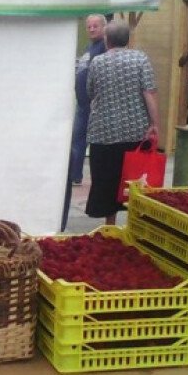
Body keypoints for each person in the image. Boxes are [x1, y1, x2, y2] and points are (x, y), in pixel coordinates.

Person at [84, 20, 159, 226]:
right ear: (127, 39)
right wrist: (155, 124)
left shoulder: (97, 62)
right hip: (135, 132)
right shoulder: (140, 59)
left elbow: (90, 92)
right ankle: (135, 224)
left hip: (103, 132)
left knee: (107, 180)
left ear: (107, 40)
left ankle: (110, 225)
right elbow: (149, 93)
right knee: (133, 180)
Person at [61, 14, 106, 231]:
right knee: (77, 141)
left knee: (87, 142)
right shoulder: (91, 47)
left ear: (104, 27)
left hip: (93, 105)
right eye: (89, 26)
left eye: (95, 25)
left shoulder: (104, 48)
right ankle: (75, 175)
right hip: (82, 104)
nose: (91, 29)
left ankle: (90, 181)